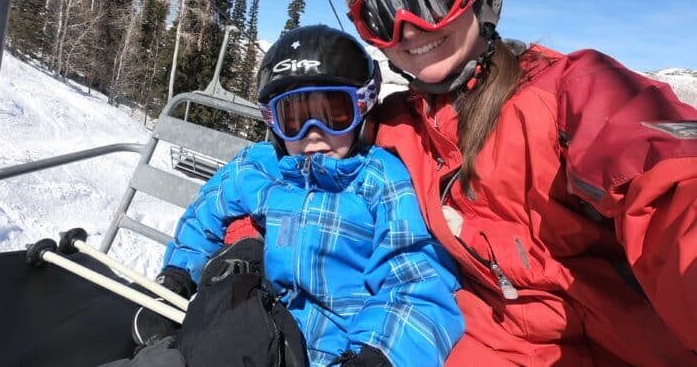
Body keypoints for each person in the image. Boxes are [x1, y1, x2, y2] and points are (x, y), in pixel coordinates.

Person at [340, 0, 697, 366]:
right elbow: (299, 173)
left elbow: (669, 179)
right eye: (381, 14)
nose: (407, 30)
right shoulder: (395, 128)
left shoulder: (573, 91)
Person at [145, 25, 464, 367]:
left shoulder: (381, 181)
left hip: (336, 354)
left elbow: (416, 280)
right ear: (273, 122)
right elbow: (204, 216)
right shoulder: (258, 167)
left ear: (363, 108)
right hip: (252, 332)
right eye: (294, 118)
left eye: (333, 114)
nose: (313, 134)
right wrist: (178, 275)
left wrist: (378, 356)